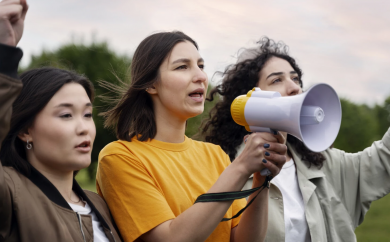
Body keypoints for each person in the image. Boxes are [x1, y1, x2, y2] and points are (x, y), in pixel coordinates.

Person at [96, 31, 288, 242]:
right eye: (182, 67)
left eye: (201, 66)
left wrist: (261, 178)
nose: (201, 77)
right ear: (151, 84)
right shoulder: (120, 157)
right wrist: (241, 167)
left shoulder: (214, 154)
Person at [200, 37, 390, 242]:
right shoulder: (222, 167)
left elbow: (383, 159)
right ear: (251, 98)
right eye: (276, 80)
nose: (294, 88)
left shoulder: (322, 163)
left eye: (295, 79)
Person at [0, 1, 122, 241]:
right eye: (66, 115)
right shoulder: (9, 192)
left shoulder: (99, 203)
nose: (83, 128)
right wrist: (4, 53)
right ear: (26, 130)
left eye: (87, 114)